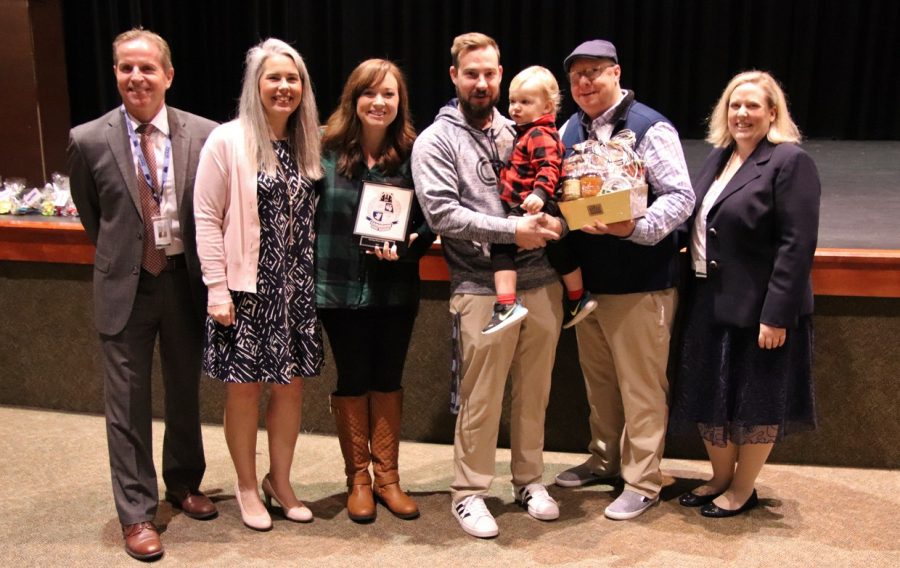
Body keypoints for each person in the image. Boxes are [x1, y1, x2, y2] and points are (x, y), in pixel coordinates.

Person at [67, 28, 217, 561]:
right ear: (115, 73)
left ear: (168, 75)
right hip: (125, 286)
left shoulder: (204, 134)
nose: (137, 78)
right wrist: (127, 254)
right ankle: (136, 512)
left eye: (147, 68)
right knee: (126, 405)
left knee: (183, 391)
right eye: (126, 68)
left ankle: (183, 481)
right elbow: (93, 213)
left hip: (183, 280)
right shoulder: (88, 139)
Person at [412, 32, 564, 539]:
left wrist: (561, 221)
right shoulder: (436, 140)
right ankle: (469, 492)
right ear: (454, 75)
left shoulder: (521, 127)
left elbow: (556, 181)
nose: (483, 82)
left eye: (491, 73)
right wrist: (512, 230)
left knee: (534, 392)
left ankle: (529, 480)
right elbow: (441, 213)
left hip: (541, 280)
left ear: (502, 74)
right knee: (482, 395)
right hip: (480, 286)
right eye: (472, 73)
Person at [552, 39, 695, 521]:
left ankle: (643, 480)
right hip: (588, 286)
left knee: (641, 386)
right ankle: (605, 458)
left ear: (616, 73)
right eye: (576, 77)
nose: (585, 83)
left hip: (640, 281)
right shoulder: (568, 128)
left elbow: (680, 196)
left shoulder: (649, 126)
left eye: (594, 72)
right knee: (600, 383)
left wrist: (635, 229)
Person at [670, 70, 820, 517]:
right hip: (707, 300)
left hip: (759, 310)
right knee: (708, 397)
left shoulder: (790, 162)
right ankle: (718, 477)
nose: (742, 113)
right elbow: (693, 221)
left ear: (772, 112)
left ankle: (742, 487)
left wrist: (776, 315)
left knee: (755, 400)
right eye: (735, 105)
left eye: (753, 105)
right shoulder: (719, 158)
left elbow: (797, 245)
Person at [194, 38, 323, 531]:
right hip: (245, 291)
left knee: (290, 388)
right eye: (275, 77)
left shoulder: (308, 142)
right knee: (244, 390)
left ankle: (281, 481)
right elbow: (206, 216)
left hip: (296, 290)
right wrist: (217, 288)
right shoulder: (227, 140)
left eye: (293, 79)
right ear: (256, 85)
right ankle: (247, 486)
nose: (284, 87)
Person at [316, 58, 435, 522]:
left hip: (395, 286)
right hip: (338, 288)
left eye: (389, 94)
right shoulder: (324, 150)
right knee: (353, 378)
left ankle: (388, 478)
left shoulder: (413, 153)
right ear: (354, 99)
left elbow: (429, 218)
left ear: (399, 102)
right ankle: (358, 479)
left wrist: (411, 245)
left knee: (388, 377)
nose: (379, 102)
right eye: (370, 93)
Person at [483, 65, 597, 334]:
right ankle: (577, 296)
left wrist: (539, 193)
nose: (515, 108)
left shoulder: (538, 134)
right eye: (512, 101)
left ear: (547, 107)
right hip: (531, 201)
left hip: (531, 202)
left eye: (525, 102)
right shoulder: (529, 131)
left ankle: (507, 304)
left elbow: (549, 167)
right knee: (558, 248)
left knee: (501, 246)